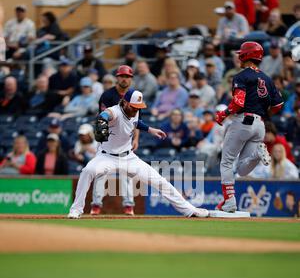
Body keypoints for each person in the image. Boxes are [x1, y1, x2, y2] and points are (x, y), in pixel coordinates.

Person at [68, 89, 209, 219]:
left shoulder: (133, 111)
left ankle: (189, 210)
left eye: (138, 107)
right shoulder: (115, 111)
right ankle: (76, 209)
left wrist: (150, 129)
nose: (136, 110)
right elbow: (106, 114)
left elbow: (136, 122)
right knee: (87, 171)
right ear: (124, 102)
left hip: (129, 158)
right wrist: (102, 119)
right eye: (134, 107)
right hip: (106, 157)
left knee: (160, 181)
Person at [214, 41, 284, 213]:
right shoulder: (267, 78)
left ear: (245, 56)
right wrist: (263, 112)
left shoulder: (241, 76)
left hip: (243, 121)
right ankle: (256, 154)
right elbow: (278, 105)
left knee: (227, 162)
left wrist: (223, 114)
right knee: (243, 168)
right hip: (260, 124)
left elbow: (238, 102)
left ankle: (229, 201)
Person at [92, 65, 138, 216]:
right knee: (100, 172)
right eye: (122, 76)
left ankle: (129, 206)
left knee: (127, 173)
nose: (124, 78)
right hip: (108, 140)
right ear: (117, 77)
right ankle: (96, 205)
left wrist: (136, 138)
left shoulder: (134, 96)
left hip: (125, 141)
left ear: (131, 79)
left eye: (128, 76)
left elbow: (137, 121)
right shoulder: (107, 95)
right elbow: (102, 119)